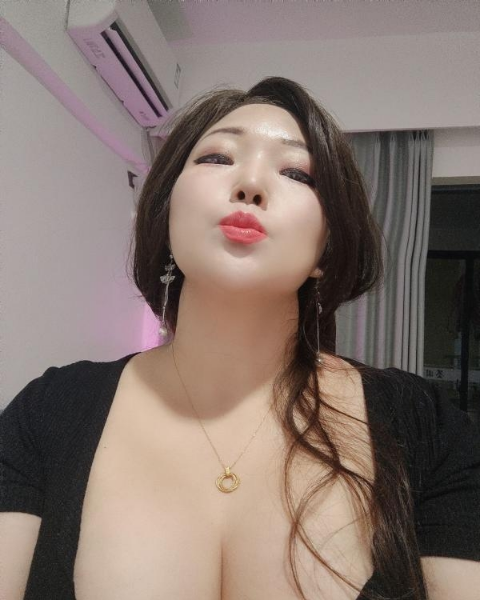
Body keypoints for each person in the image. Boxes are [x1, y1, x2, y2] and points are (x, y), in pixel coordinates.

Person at [1, 76, 479, 600]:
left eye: (296, 172)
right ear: (165, 214)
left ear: (326, 248)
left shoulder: (428, 430)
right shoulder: (47, 412)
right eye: (217, 158)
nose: (250, 183)